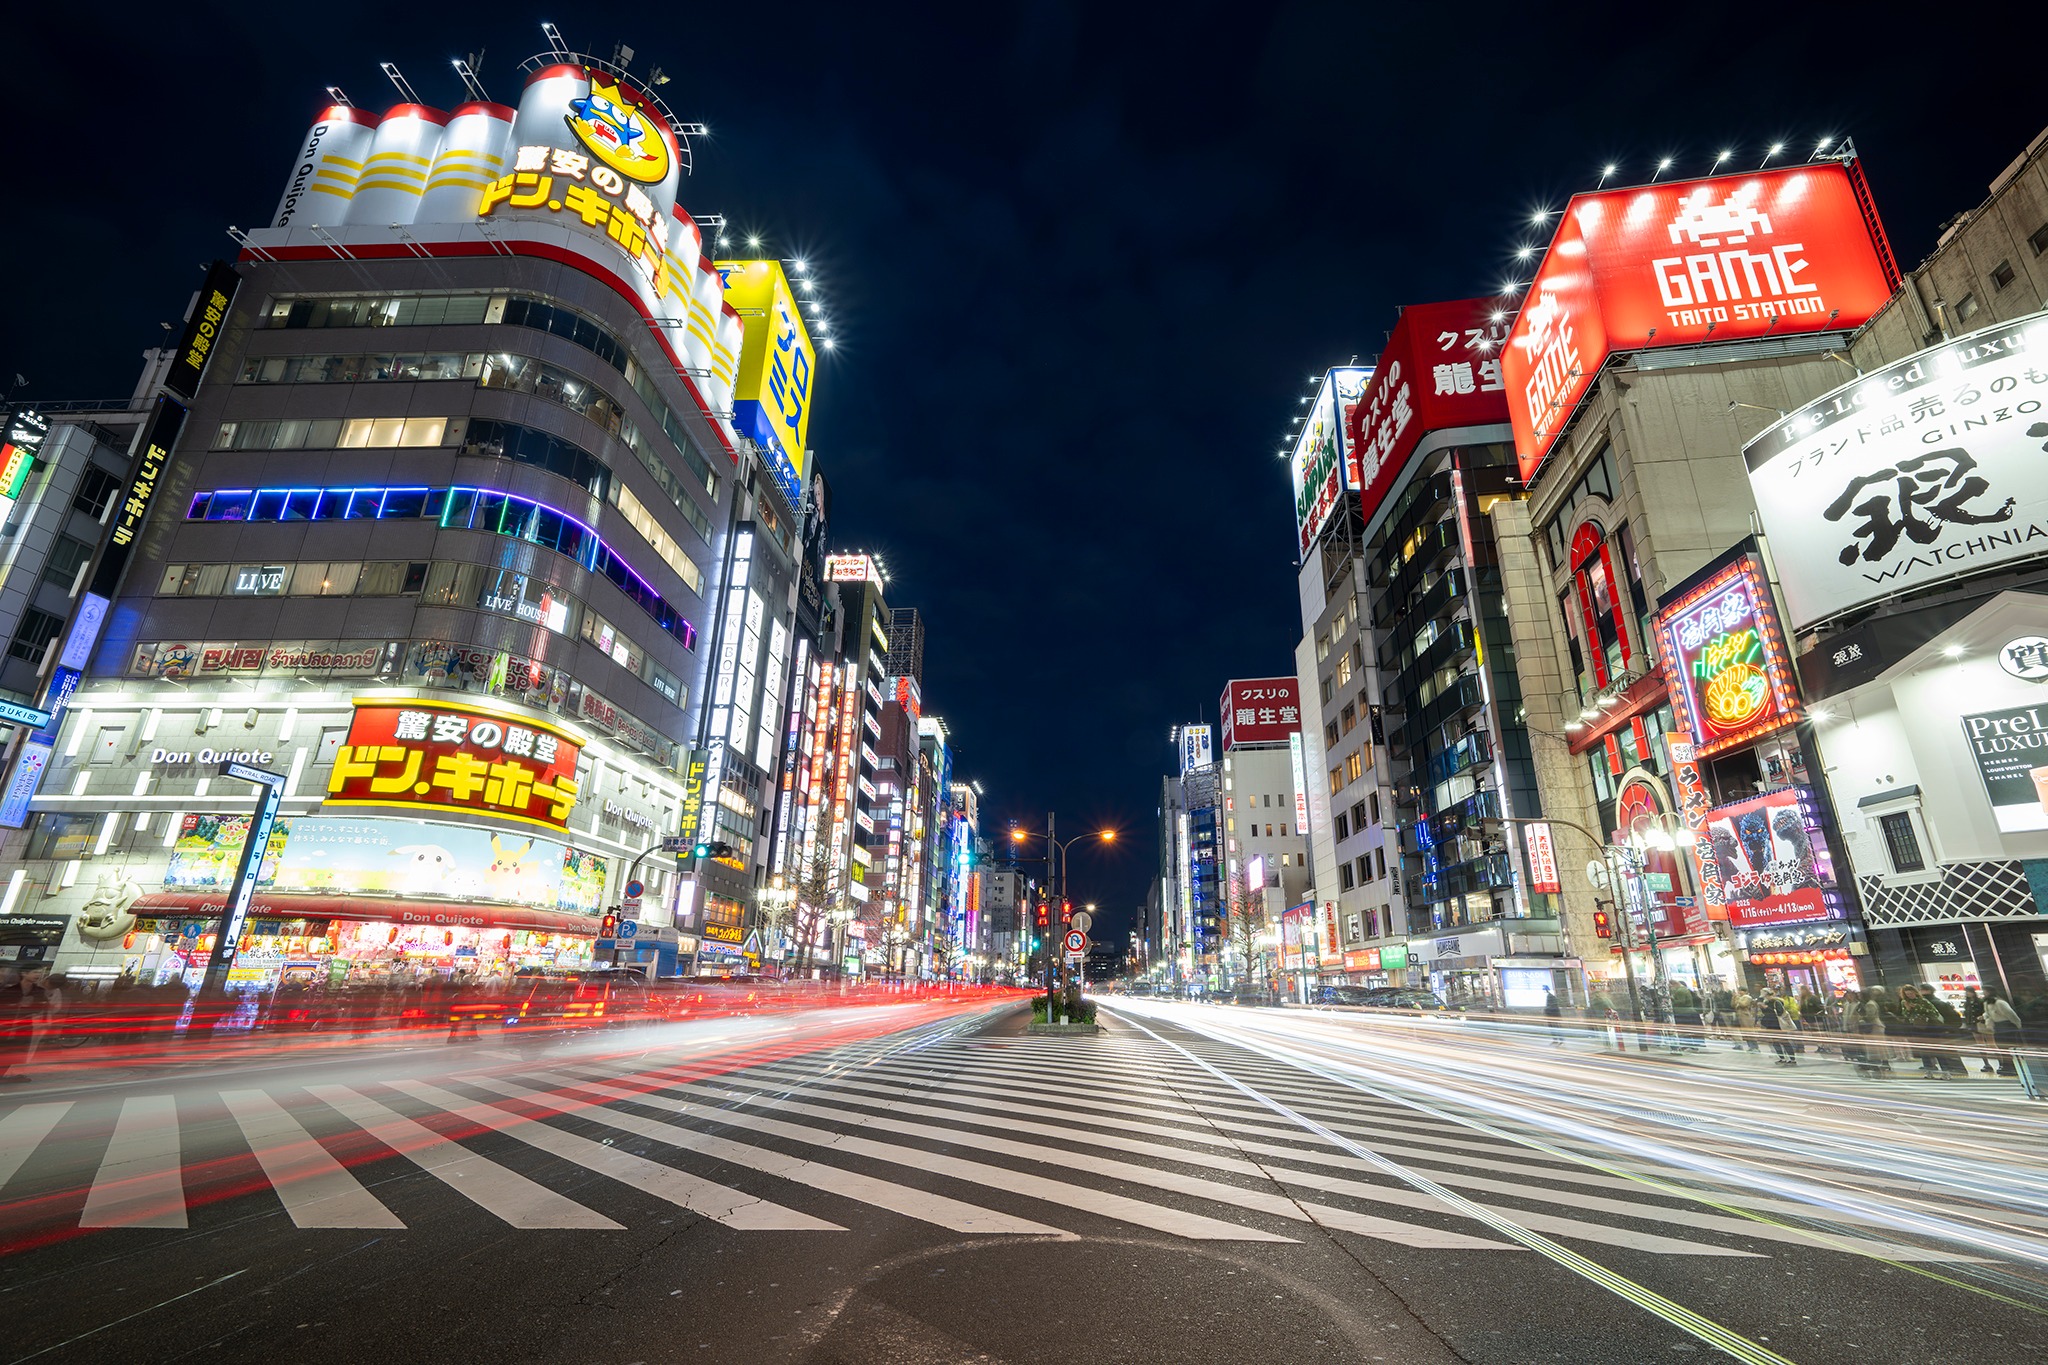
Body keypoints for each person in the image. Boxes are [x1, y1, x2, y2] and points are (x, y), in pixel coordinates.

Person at [1759, 989, 1797, 1064]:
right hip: (1770, 1024)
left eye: (1767, 996)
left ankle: (1792, 1058)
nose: (1766, 998)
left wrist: (1767, 1008)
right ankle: (1781, 1057)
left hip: (1779, 1024)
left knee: (1784, 1042)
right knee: (1775, 1042)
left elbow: (1779, 1012)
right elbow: (1766, 1013)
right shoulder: (1766, 1002)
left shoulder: (1777, 1002)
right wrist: (1762, 1007)